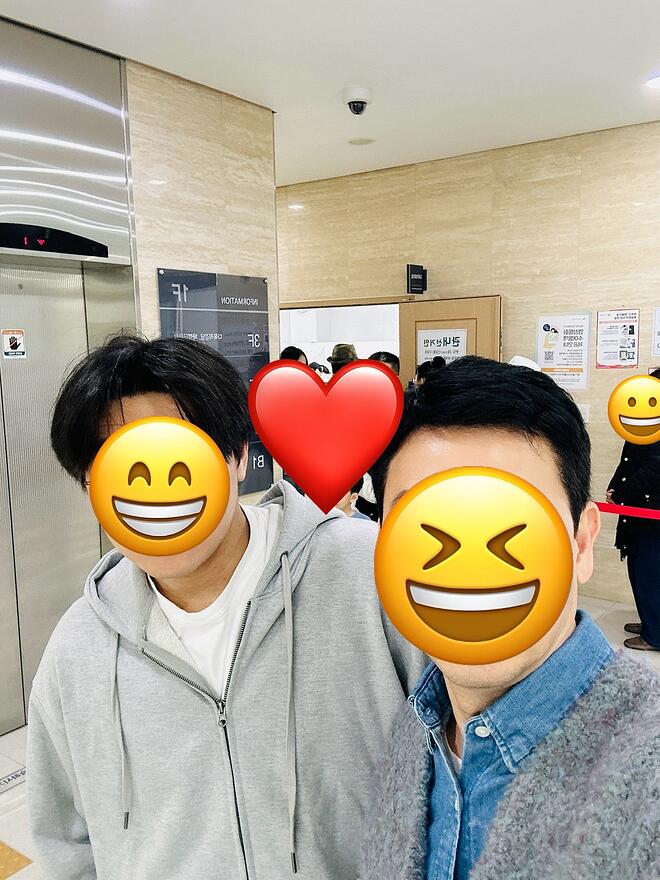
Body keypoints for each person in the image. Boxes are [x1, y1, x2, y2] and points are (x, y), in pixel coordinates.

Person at [28, 334, 424, 880]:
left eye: (180, 459)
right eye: (123, 470)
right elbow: (66, 844)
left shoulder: (371, 576)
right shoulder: (78, 651)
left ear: (238, 458)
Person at [362, 356, 659, 880]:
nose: (468, 566)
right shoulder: (414, 726)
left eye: (514, 524)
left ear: (581, 542)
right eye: (422, 525)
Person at [607, 367, 660, 652]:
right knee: (641, 569)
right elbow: (627, 461)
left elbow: (652, 469)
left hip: (651, 514)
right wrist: (615, 486)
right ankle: (651, 622)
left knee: (648, 572)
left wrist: (622, 491)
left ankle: (655, 635)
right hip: (639, 511)